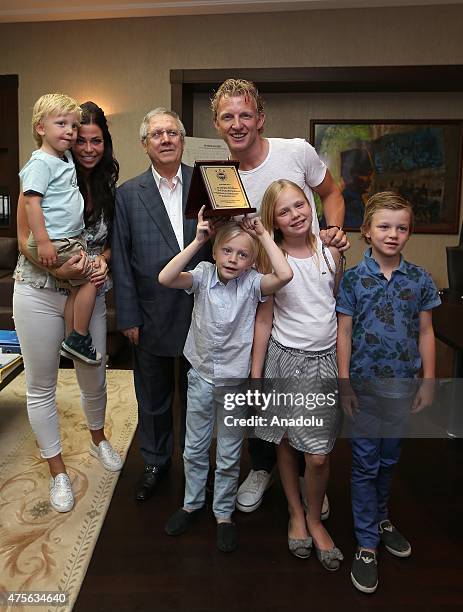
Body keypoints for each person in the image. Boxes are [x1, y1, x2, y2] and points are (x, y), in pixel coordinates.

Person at [211, 77, 348, 513]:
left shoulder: (295, 152)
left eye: (245, 115)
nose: (238, 124)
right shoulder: (221, 176)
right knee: (264, 385)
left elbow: (331, 193)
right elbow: (225, 238)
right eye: (228, 117)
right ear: (217, 124)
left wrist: (333, 231)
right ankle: (262, 467)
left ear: (260, 117)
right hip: (256, 290)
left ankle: (312, 484)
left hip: (305, 279)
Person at [161, 208, 293, 552]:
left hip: (234, 383)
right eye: (227, 251)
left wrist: (262, 234)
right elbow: (166, 278)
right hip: (201, 377)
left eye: (243, 254)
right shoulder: (203, 274)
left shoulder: (252, 284)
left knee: (230, 452)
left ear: (251, 261)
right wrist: (198, 241)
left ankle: (223, 513)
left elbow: (285, 274)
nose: (234, 259)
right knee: (194, 447)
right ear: (216, 251)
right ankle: (191, 504)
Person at [13, 101, 123, 513]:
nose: (88, 146)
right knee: (40, 384)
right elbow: (25, 238)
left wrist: (101, 261)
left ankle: (98, 439)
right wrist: (59, 267)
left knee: (92, 372)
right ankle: (57, 469)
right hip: (40, 289)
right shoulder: (42, 172)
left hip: (88, 288)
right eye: (81, 137)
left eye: (96, 140)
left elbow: (112, 244)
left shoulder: (107, 187)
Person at [336, 191, 440, 593]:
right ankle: (366, 543)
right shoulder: (353, 279)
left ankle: (381, 518)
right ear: (367, 231)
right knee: (364, 463)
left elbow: (427, 332)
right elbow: (344, 333)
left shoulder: (420, 279)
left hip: (402, 388)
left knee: (389, 459)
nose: (393, 234)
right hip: (361, 390)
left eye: (402, 227)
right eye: (384, 226)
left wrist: (429, 380)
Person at [111, 108, 211, 503]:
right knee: (152, 394)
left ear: (182, 140)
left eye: (172, 132)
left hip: (200, 309)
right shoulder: (127, 194)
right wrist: (128, 315)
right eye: (157, 134)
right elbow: (121, 256)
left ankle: (194, 461)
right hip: (149, 311)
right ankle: (155, 461)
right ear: (145, 144)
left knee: (196, 393)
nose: (166, 139)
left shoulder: (206, 184)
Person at [251, 179, 344, 570]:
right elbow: (264, 318)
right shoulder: (271, 258)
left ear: (310, 204)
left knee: (319, 456)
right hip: (284, 360)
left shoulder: (330, 250)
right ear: (273, 220)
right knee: (286, 441)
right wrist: (256, 375)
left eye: (299, 205)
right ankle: (295, 513)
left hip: (323, 361)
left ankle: (313, 514)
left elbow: (334, 302)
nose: (295, 215)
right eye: (284, 211)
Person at [20, 93, 100, 366]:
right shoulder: (40, 163)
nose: (70, 131)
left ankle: (72, 338)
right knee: (90, 278)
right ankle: (77, 337)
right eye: (61, 124)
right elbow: (31, 203)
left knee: (77, 289)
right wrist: (43, 243)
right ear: (41, 128)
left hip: (66, 238)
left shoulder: (63, 158)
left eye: (73, 125)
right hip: (53, 240)